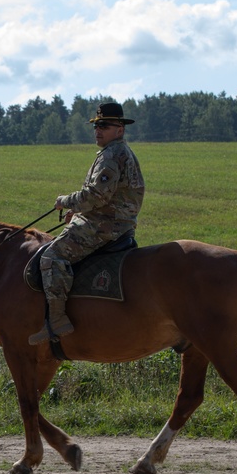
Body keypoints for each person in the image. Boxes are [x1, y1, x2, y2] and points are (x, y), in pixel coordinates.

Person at [28, 101, 145, 345]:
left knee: (51, 258)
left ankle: (57, 320)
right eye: (96, 125)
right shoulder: (118, 152)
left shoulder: (112, 155)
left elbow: (95, 196)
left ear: (120, 129)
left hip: (104, 226)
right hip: (111, 222)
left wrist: (65, 201)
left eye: (104, 125)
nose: (98, 130)